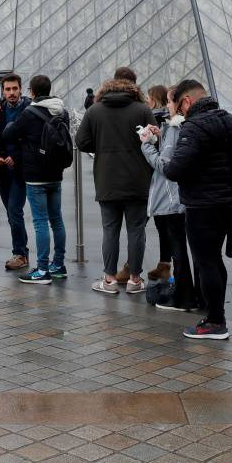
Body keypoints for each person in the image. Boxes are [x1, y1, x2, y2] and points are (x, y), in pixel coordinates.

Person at [163, 79, 232, 340]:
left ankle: (215, 321)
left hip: (201, 205)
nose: (175, 111)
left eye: (175, 105)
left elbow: (176, 169)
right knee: (215, 260)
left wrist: (166, 161)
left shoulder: (194, 126)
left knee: (206, 261)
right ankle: (215, 316)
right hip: (225, 201)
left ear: (186, 101)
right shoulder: (229, 120)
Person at [75, 67, 155, 295]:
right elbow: (153, 142)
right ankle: (135, 280)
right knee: (136, 230)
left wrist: (101, 146)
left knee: (110, 230)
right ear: (134, 84)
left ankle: (109, 280)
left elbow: (81, 142)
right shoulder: (142, 109)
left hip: (107, 178)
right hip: (138, 179)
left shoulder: (95, 110)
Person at [2, 75, 70, 284]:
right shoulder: (62, 111)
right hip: (55, 173)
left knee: (40, 222)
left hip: (35, 174)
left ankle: (41, 270)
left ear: (31, 91)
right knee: (56, 220)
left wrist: (16, 129)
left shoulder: (30, 113)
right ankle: (58, 265)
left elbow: (9, 134)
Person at [139, 91, 198, 312]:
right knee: (189, 249)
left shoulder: (175, 127)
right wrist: (160, 136)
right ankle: (194, 294)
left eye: (170, 100)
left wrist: (147, 144)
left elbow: (165, 165)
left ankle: (183, 297)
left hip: (172, 198)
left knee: (178, 249)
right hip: (188, 196)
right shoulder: (188, 125)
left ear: (181, 102)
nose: (168, 105)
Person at [0, 75, 31, 271]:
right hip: (3, 170)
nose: (11, 93)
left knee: (14, 210)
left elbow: (32, 140)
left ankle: (20, 253)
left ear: (20, 89)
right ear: (2, 91)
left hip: (20, 171)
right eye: (8, 89)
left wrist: (17, 156)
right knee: (11, 212)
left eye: (14, 89)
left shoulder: (29, 111)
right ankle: (22, 250)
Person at [143, 85, 173, 282]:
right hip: (167, 182)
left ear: (153, 100)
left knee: (139, 224)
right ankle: (165, 265)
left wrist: (147, 142)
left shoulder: (152, 118)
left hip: (152, 177)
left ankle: (131, 266)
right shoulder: (167, 120)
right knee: (165, 227)